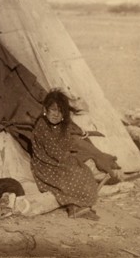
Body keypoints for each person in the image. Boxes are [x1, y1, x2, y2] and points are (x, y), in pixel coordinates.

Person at [30, 89, 102, 219]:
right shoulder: (42, 126)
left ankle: (81, 206)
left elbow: (68, 142)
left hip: (60, 158)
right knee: (73, 173)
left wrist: (72, 154)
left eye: (61, 111)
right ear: (46, 109)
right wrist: (69, 157)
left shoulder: (63, 125)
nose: (56, 115)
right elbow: (53, 151)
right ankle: (73, 208)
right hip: (46, 162)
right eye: (53, 110)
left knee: (84, 171)